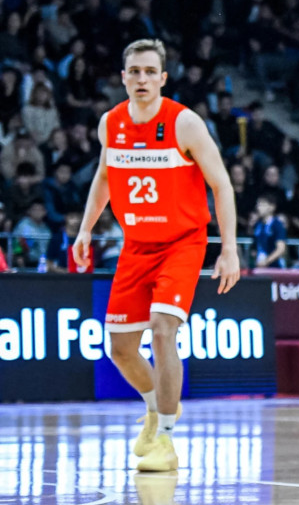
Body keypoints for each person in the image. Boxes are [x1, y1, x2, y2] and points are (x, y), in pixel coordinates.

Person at [73, 39, 240, 472]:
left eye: (150, 72)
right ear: (123, 77)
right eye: (134, 72)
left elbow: (221, 184)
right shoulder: (111, 124)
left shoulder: (185, 124)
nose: (142, 79)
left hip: (183, 242)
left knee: (165, 329)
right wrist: (85, 228)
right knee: (121, 348)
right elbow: (104, 177)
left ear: (163, 78)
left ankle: (166, 438)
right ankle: (155, 408)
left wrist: (229, 249)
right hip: (135, 245)